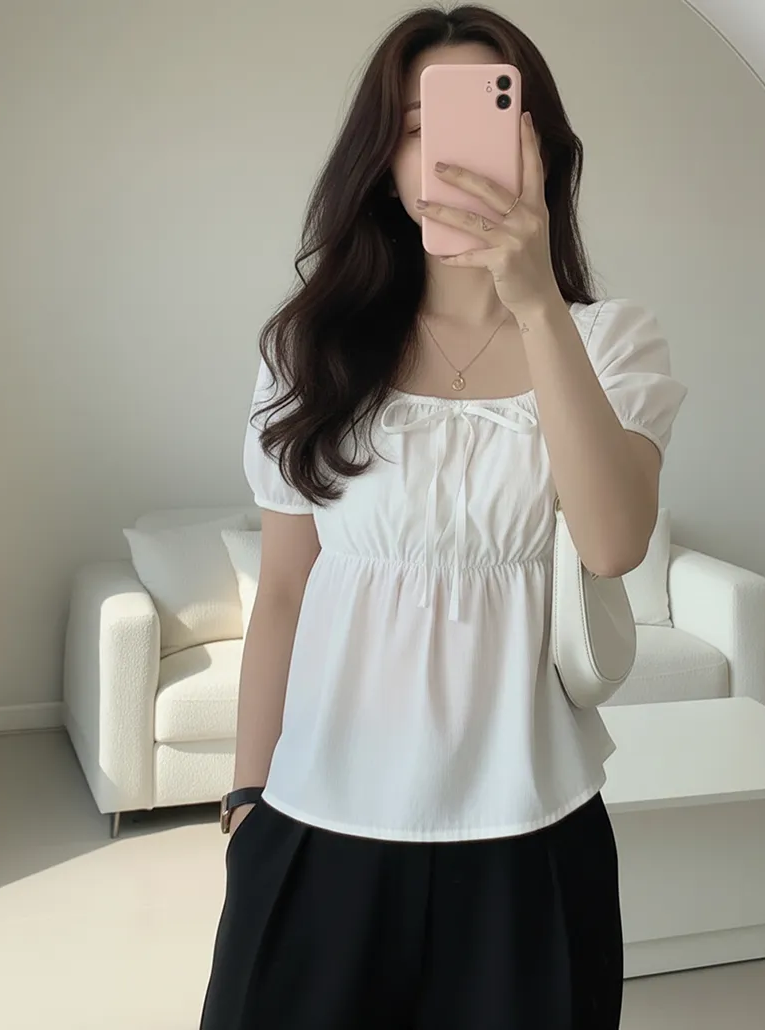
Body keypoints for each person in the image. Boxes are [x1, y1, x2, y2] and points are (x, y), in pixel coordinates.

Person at [200, 5, 686, 1028]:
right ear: (384, 164)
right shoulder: (310, 349)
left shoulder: (610, 341)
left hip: (531, 832)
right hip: (316, 819)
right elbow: (283, 591)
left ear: (542, 153)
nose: (450, 155)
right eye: (419, 127)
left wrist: (537, 304)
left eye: (487, 122)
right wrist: (247, 802)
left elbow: (612, 543)